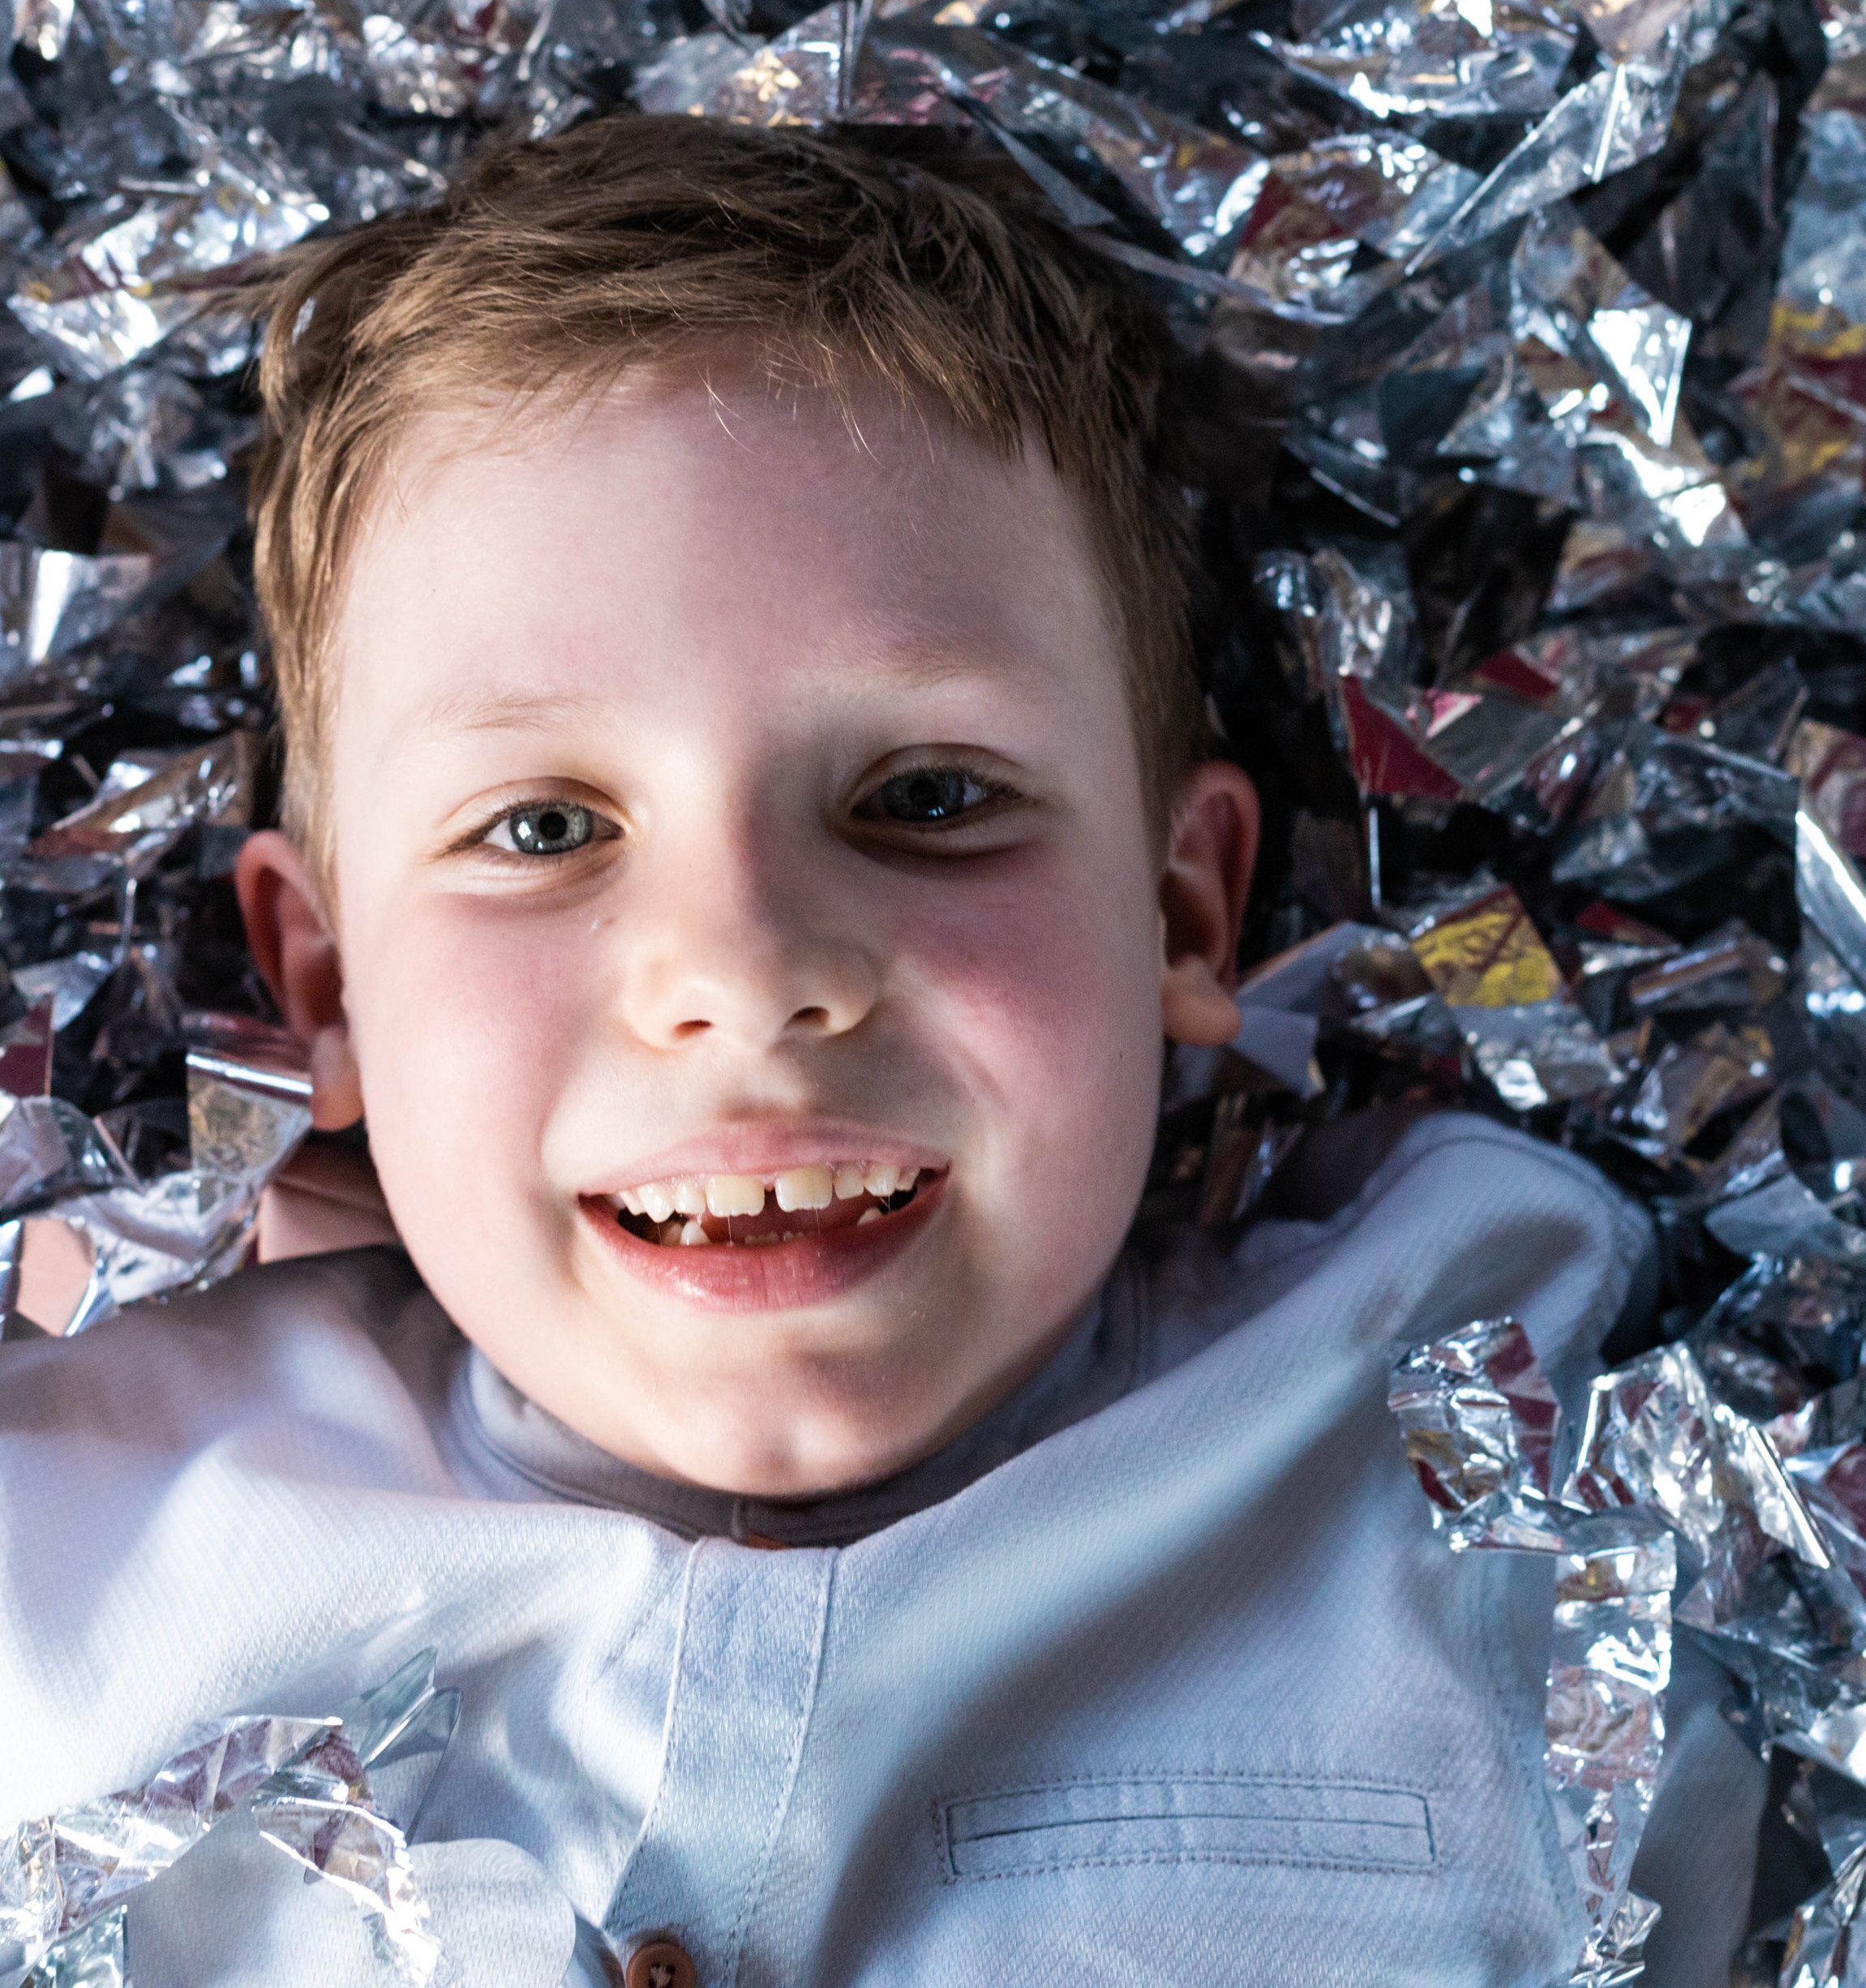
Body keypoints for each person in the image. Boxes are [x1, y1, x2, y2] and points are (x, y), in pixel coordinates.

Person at [0, 117, 1762, 1986]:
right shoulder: (80, 1536)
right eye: (541, 828)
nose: (746, 970)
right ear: (327, 986)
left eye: (926, 796)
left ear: (1180, 918)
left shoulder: (1467, 1412)